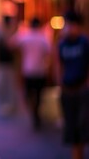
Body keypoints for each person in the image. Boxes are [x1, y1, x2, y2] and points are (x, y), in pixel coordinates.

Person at [56, 11, 89, 159]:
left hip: (81, 90)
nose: (68, 28)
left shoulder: (84, 42)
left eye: (71, 24)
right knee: (72, 130)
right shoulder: (62, 43)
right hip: (68, 91)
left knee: (82, 129)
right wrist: (60, 84)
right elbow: (58, 64)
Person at [11, 17, 51, 130]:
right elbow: (49, 52)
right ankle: (36, 114)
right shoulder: (43, 38)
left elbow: (12, 44)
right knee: (38, 95)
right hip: (40, 71)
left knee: (28, 94)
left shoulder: (26, 37)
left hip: (28, 70)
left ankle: (33, 112)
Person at [0, 15, 18, 117]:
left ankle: (10, 106)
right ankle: (3, 105)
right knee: (1, 85)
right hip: (2, 63)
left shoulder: (13, 32)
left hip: (10, 64)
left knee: (10, 86)